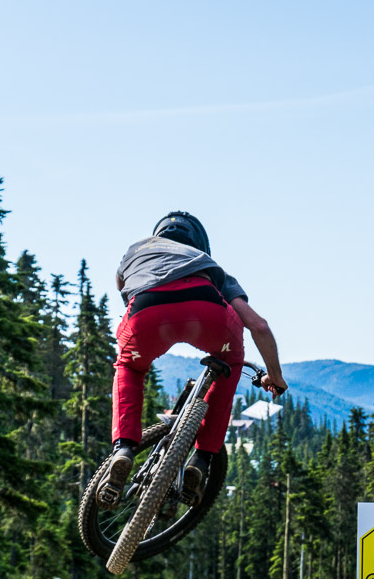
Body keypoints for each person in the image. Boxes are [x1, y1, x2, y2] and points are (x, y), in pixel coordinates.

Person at [97, 211, 287, 509]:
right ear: (201, 244)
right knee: (230, 362)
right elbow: (259, 327)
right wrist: (275, 376)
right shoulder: (207, 265)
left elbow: (121, 285)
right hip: (206, 311)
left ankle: (123, 448)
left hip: (146, 312)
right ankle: (201, 457)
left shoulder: (135, 250)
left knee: (129, 368)